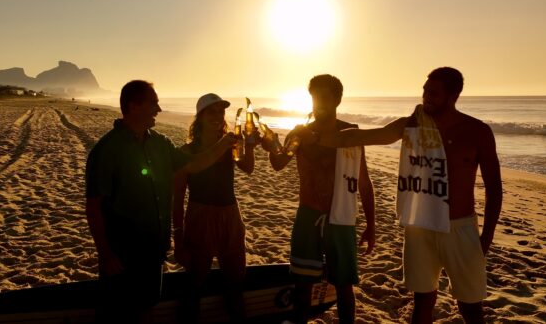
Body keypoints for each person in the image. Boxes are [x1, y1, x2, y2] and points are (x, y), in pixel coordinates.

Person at [305, 67, 502, 324]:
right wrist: (313, 136)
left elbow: (494, 189)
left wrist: (485, 239)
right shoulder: (412, 125)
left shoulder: (477, 132)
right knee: (422, 300)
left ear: (454, 95)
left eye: (434, 93)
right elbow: (360, 137)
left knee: (470, 307)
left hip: (460, 227)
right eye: (424, 91)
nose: (426, 97)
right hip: (419, 224)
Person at [85, 80, 236, 324]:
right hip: (122, 252)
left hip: (153, 249)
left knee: (147, 308)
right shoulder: (107, 150)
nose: (159, 109)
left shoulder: (159, 143)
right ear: (134, 106)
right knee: (118, 312)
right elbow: (93, 209)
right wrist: (105, 254)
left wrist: (224, 144)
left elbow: (194, 163)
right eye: (153, 103)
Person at [267, 74, 375, 324]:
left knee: (344, 285)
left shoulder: (350, 134)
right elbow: (278, 163)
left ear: (338, 100)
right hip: (308, 215)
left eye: (325, 98)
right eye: (315, 97)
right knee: (302, 285)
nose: (319, 103)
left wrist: (371, 224)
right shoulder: (300, 133)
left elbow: (364, 181)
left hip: (342, 218)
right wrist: (269, 142)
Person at [173, 93, 255, 324]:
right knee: (195, 285)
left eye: (221, 111)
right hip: (200, 218)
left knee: (236, 283)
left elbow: (248, 167)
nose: (218, 116)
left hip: (231, 215)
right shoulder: (187, 152)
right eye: (212, 111)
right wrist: (178, 241)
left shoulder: (231, 145)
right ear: (199, 117)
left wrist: (249, 142)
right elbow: (177, 198)